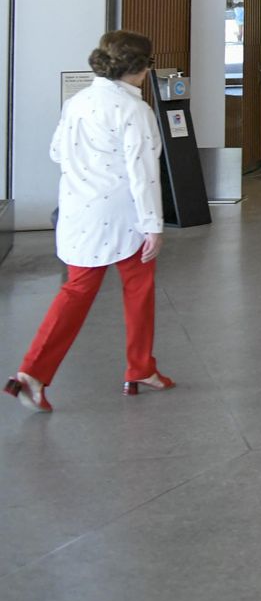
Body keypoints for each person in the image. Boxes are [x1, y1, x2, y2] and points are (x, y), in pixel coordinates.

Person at [6, 32, 171, 412]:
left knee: (75, 292)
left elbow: (56, 151)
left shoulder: (77, 102)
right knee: (139, 289)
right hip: (123, 216)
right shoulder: (135, 111)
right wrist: (154, 225)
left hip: (80, 213)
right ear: (139, 68)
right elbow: (143, 172)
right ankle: (139, 367)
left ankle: (32, 372)